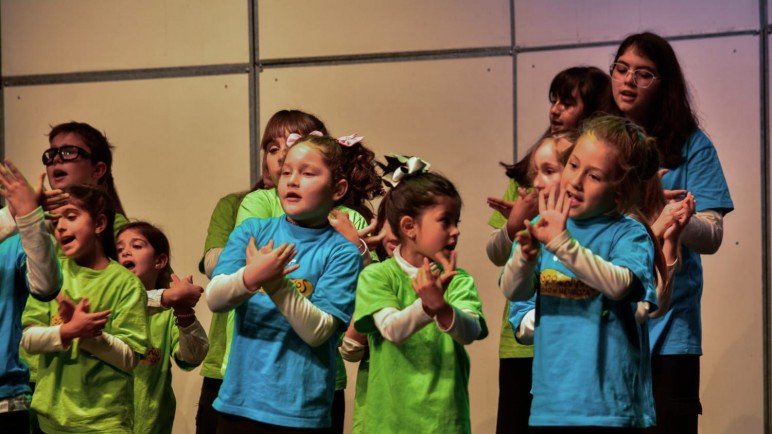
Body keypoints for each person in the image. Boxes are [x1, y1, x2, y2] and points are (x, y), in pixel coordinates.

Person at [501, 115, 660, 432]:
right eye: (573, 166)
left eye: (594, 176)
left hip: (610, 409)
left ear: (620, 191)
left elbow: (620, 285)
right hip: (551, 405)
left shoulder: (629, 234)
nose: (574, 181)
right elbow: (513, 291)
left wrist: (562, 244)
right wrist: (525, 258)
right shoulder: (549, 227)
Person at [610, 32, 733, 433]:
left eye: (643, 74)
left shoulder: (692, 145)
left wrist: (661, 210)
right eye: (622, 69)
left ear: (665, 84)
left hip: (671, 327)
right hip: (608, 320)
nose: (628, 81)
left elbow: (712, 235)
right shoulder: (596, 144)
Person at [205, 134, 363, 432]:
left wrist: (276, 284)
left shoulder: (341, 250)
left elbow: (318, 332)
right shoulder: (254, 229)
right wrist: (250, 277)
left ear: (338, 188)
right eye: (287, 171)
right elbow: (215, 298)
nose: (292, 180)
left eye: (307, 173)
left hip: (301, 412)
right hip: (239, 404)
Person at [485, 66, 613, 434]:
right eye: (553, 101)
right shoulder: (530, 185)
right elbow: (498, 257)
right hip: (522, 343)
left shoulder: (604, 214)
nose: (555, 110)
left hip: (580, 349)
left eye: (567, 102)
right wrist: (515, 225)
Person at [196, 109, 329, 434]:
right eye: (273, 148)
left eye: (297, 143)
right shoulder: (242, 205)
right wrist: (255, 267)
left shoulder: (339, 221)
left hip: (306, 376)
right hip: (235, 367)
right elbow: (218, 266)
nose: (284, 154)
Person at [353, 156, 487, 434]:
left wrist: (444, 310)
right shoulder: (377, 275)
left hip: (445, 422)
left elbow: (470, 331)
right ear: (409, 227)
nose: (456, 230)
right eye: (445, 221)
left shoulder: (458, 280)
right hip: (389, 423)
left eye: (456, 221)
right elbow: (392, 329)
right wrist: (428, 307)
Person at [21, 185, 149, 433]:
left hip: (105, 421)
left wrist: (90, 336)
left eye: (70, 216)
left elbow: (130, 358)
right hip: (51, 420)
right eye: (56, 220)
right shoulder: (50, 274)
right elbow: (28, 339)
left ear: (100, 223)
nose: (60, 226)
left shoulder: (126, 284)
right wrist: (67, 332)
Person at [116, 221, 209, 434]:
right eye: (119, 249)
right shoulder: (106, 301)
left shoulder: (167, 313)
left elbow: (193, 356)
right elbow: (125, 302)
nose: (126, 252)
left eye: (136, 246)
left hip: (151, 424)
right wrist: (169, 296)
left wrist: (184, 313)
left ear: (160, 260)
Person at [0, 161, 61, 433]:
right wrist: (14, 216)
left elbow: (46, 286)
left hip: (6, 399)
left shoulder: (14, 242)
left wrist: (28, 219)